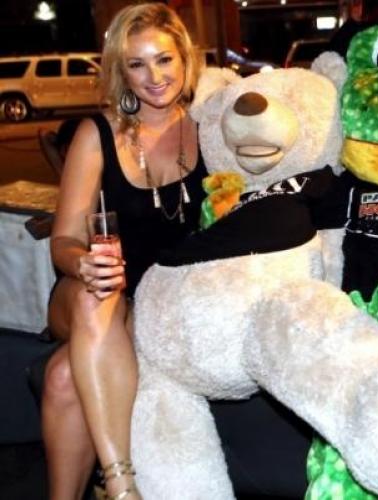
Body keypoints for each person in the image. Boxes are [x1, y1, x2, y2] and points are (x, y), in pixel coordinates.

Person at [42, 4, 206, 499]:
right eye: (137, 64)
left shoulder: (209, 127)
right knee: (95, 296)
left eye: (164, 59)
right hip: (85, 291)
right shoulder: (97, 134)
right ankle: (120, 483)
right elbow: (62, 241)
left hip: (157, 302)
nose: (154, 77)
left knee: (64, 377)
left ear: (185, 59)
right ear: (122, 71)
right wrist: (83, 263)